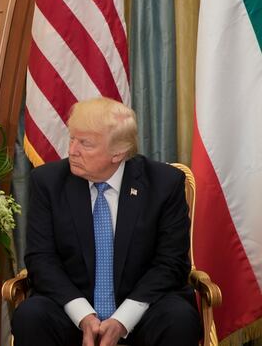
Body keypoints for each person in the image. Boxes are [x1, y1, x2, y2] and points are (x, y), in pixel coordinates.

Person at [12, 97, 200, 346]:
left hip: (143, 309)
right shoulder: (48, 181)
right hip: (71, 311)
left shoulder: (164, 183)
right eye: (72, 139)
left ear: (118, 153)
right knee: (31, 315)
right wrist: (83, 315)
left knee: (179, 318)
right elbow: (41, 259)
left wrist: (122, 319)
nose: (72, 150)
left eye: (85, 144)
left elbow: (171, 263)